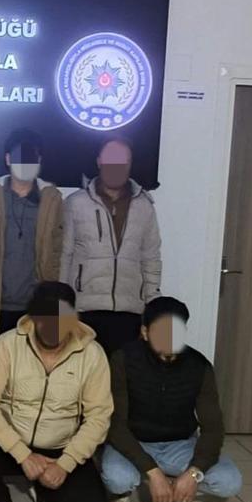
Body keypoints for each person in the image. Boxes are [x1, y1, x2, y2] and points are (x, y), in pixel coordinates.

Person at [0, 281, 112, 502]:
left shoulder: (93, 354)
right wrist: (23, 454)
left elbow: (99, 417)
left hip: (59, 447)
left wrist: (65, 464)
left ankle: (45, 492)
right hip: (11, 443)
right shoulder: (8, 343)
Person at [101, 297, 243, 502]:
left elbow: (213, 428)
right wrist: (153, 472)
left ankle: (177, 487)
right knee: (118, 478)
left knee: (229, 482)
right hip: (133, 441)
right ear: (145, 332)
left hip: (180, 444)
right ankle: (128, 492)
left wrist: (193, 473)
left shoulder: (199, 366)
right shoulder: (123, 359)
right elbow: (116, 424)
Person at [0, 128, 63, 390]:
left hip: (32, 307)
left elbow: (57, 253)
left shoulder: (52, 200)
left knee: (27, 381)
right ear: (8, 159)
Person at [60, 135, 161, 355]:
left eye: (122, 161)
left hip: (130, 312)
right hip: (84, 310)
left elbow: (151, 258)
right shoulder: (76, 203)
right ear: (99, 161)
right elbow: (64, 255)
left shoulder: (144, 206)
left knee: (121, 375)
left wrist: (152, 305)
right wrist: (62, 306)